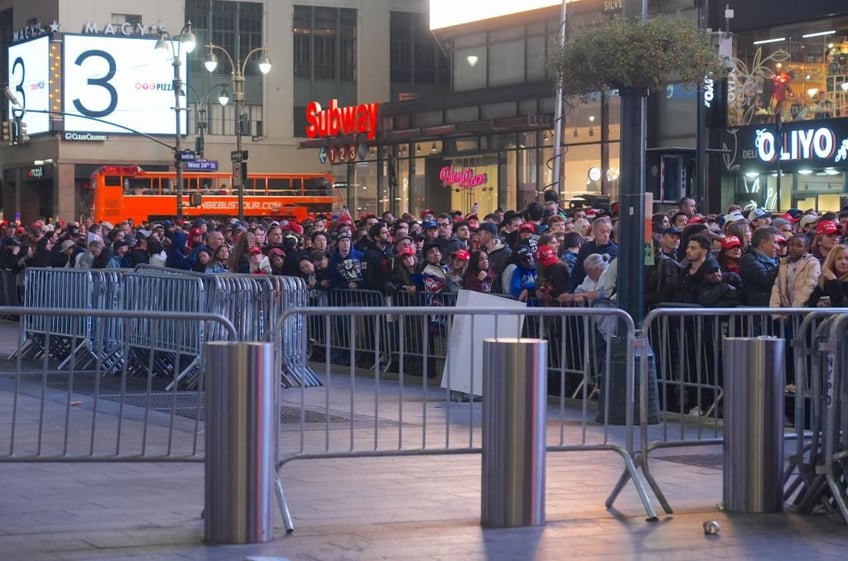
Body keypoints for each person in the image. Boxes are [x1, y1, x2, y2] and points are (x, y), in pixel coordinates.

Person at [770, 234, 820, 309]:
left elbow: (810, 286)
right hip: (786, 309)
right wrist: (775, 310)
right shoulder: (783, 263)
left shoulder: (812, 263)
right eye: (791, 245)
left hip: (803, 309)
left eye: (799, 246)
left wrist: (795, 308)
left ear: (806, 249)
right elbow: (777, 286)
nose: (794, 248)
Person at [739, 226, 780, 307]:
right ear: (763, 243)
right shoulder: (748, 260)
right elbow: (765, 280)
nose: (778, 247)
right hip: (758, 312)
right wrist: (782, 265)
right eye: (775, 243)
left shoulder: (777, 260)